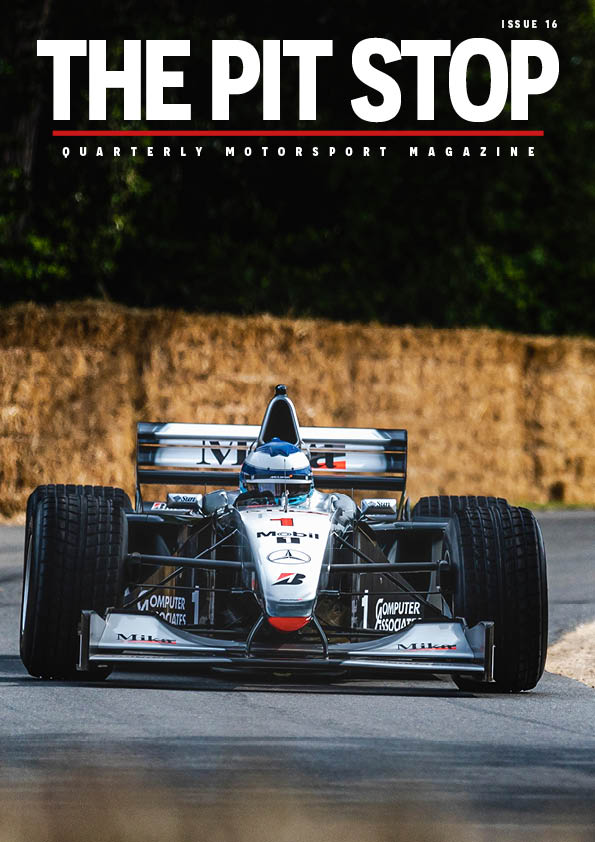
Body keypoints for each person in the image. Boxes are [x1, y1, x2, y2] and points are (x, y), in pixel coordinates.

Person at [238, 438, 314, 506]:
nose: (282, 502)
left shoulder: (319, 505)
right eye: (267, 488)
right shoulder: (234, 508)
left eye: (293, 490)